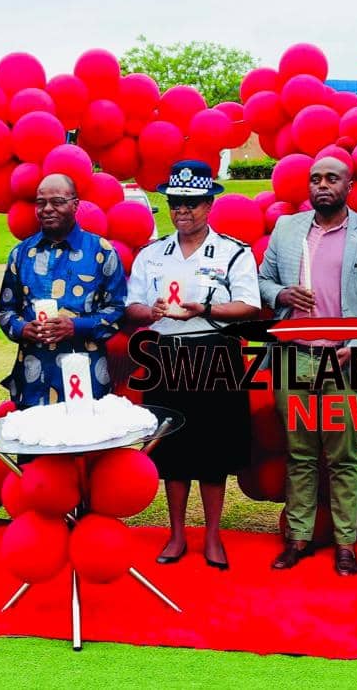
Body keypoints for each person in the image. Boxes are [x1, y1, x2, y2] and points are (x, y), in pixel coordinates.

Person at [259, 156, 357, 576]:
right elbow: (263, 282)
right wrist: (282, 295)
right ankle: (298, 537)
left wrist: (355, 344)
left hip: (346, 360)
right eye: (315, 178)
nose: (322, 185)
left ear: (349, 186)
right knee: (299, 454)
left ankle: (344, 543)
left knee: (343, 456)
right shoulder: (286, 230)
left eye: (331, 178)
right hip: (293, 356)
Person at [125, 160, 261, 569]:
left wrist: (205, 308)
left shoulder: (233, 253)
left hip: (213, 353)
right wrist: (148, 312)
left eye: (192, 203)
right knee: (173, 449)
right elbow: (131, 305)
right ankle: (177, 534)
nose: (183, 211)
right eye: (175, 203)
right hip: (165, 356)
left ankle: (214, 536)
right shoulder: (152, 254)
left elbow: (250, 306)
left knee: (213, 449)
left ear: (209, 204)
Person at [0, 173, 127, 407]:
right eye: (41, 202)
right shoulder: (21, 253)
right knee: (36, 440)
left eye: (57, 202)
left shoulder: (102, 251)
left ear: (75, 205)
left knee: (87, 441)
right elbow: (5, 310)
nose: (47, 209)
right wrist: (23, 328)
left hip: (87, 376)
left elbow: (117, 311)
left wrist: (76, 326)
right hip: (34, 377)